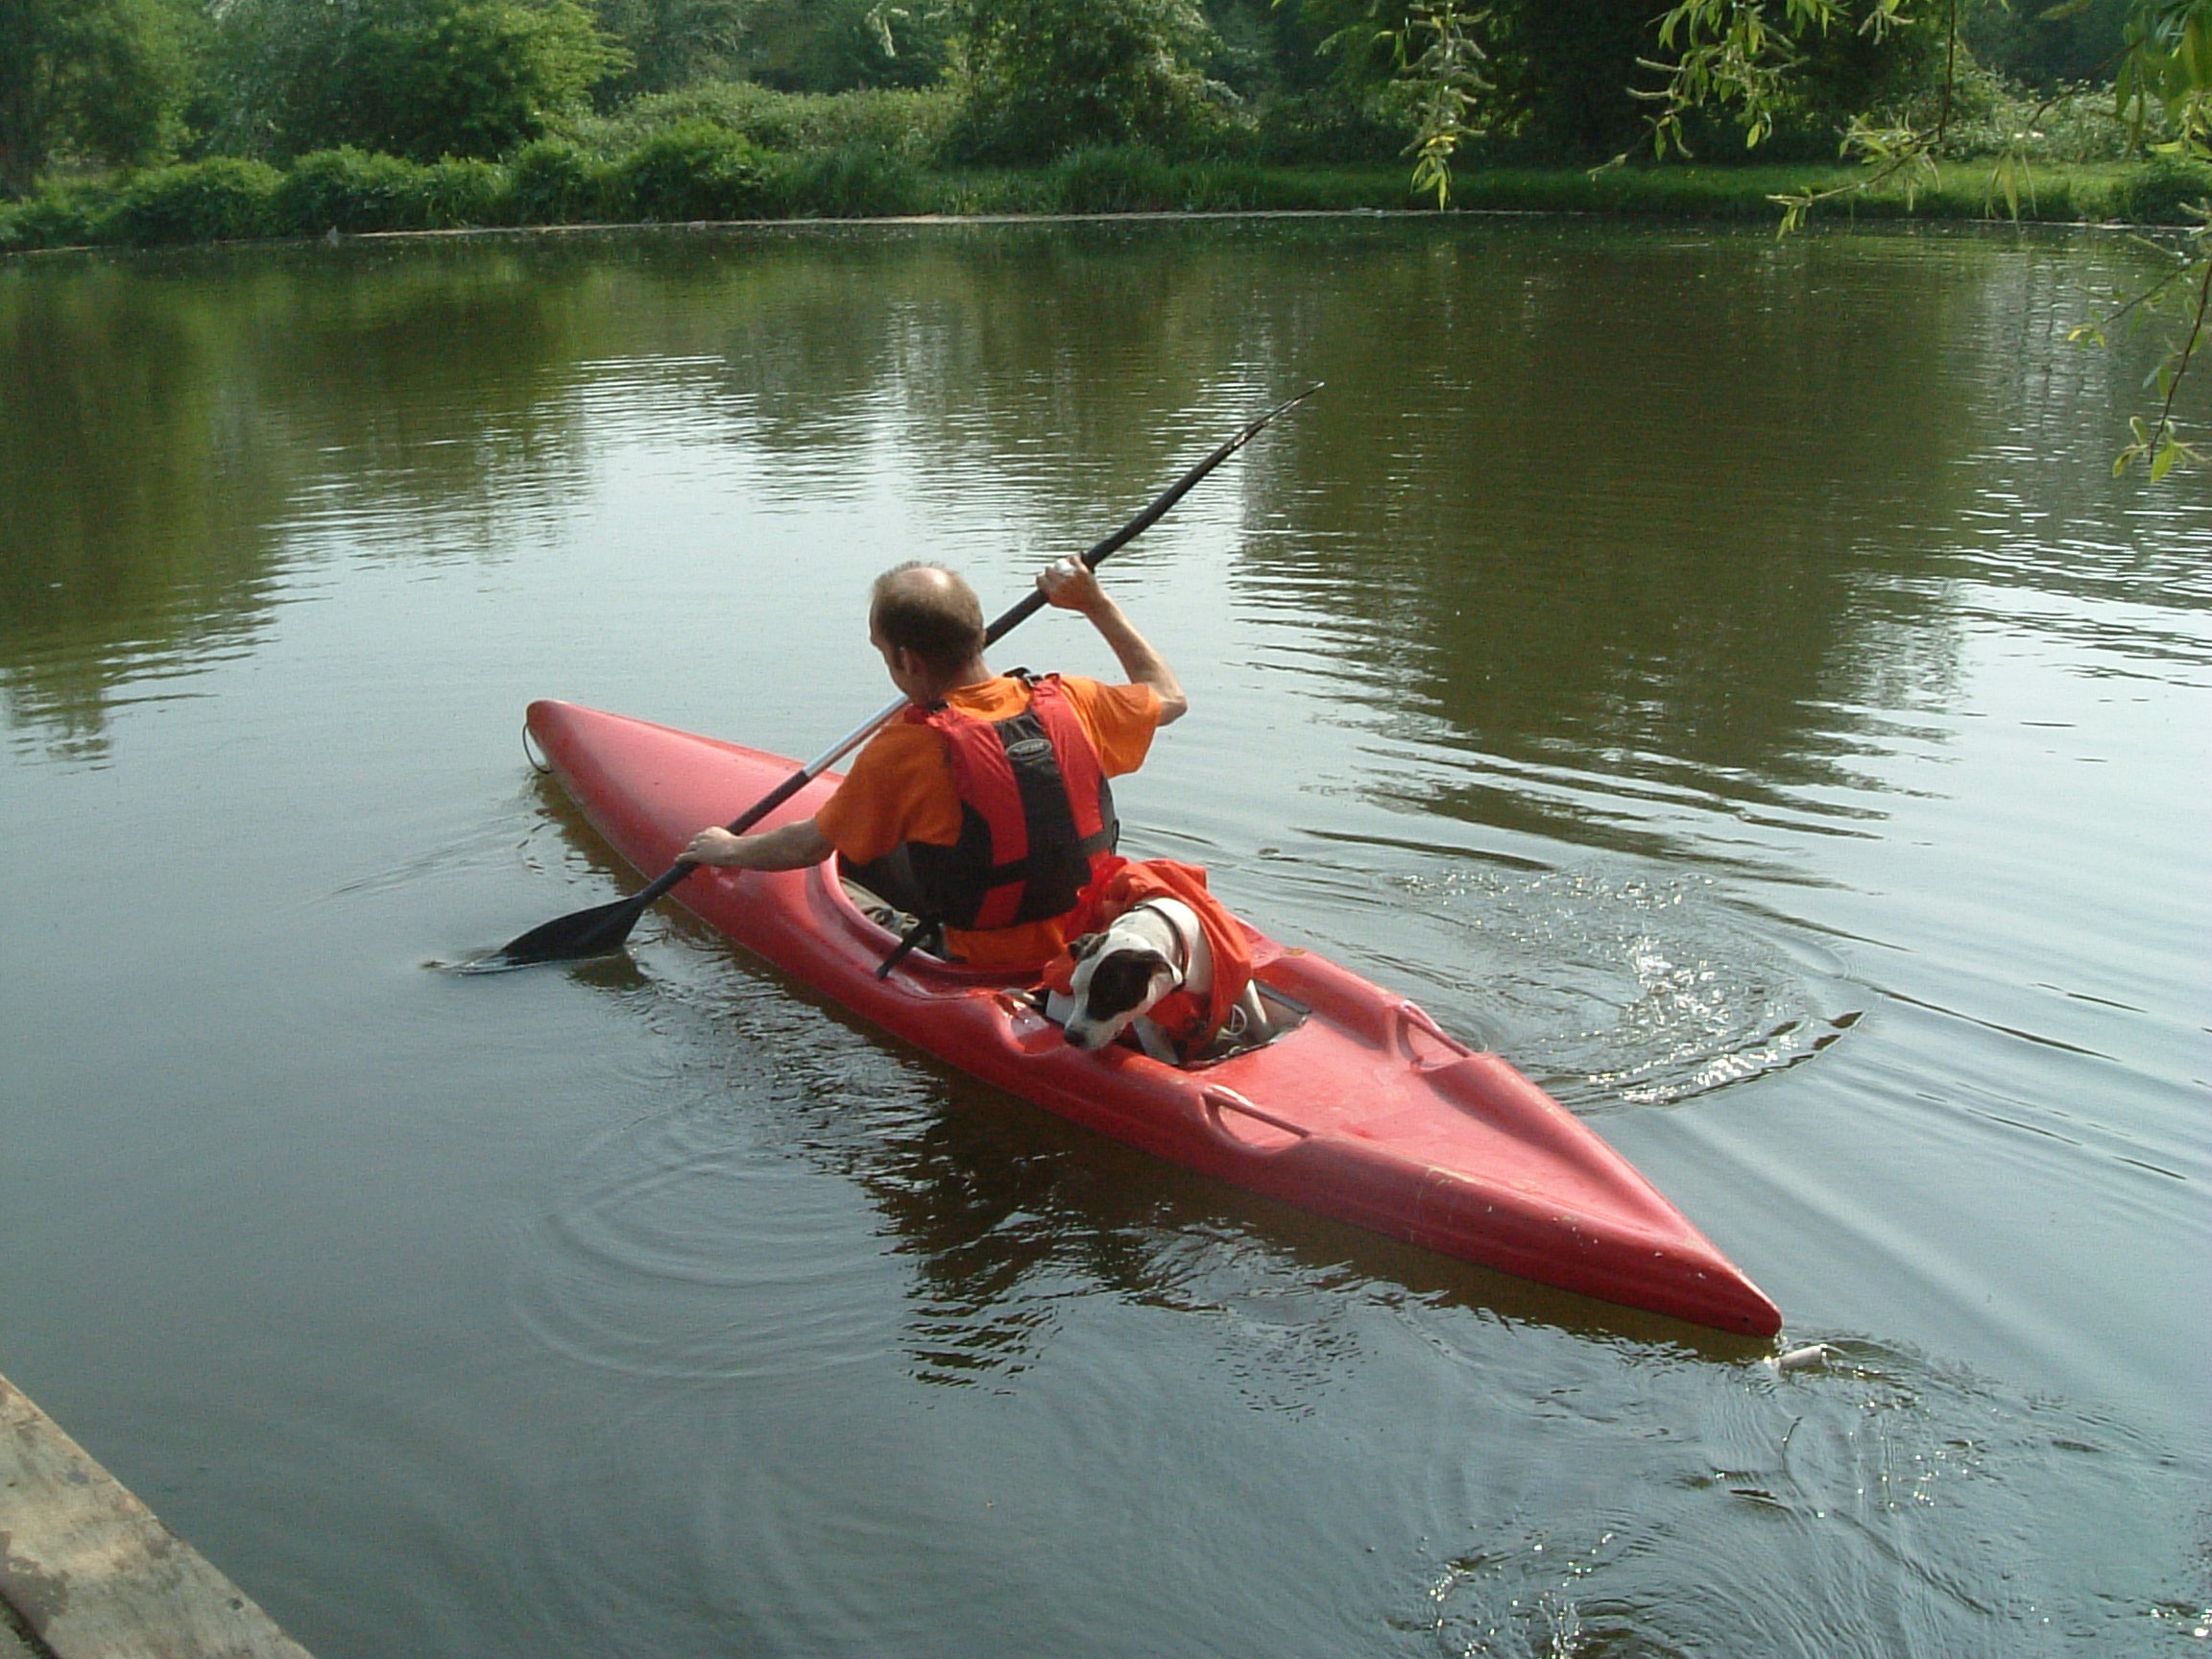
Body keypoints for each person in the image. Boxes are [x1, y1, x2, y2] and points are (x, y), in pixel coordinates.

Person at [683, 557, 1187, 970]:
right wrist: (1094, 604)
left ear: (908, 661)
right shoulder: (1073, 699)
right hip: (1089, 933)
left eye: (884, 654)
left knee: (844, 871)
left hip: (981, 958)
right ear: (978, 634)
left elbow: (810, 845)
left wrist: (730, 849)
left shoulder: (904, 748)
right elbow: (1170, 696)